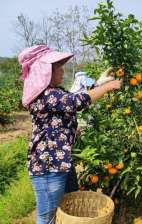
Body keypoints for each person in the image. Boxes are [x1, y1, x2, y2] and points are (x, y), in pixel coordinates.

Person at [18, 45, 122, 224]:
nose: (62, 71)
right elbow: (76, 101)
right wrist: (108, 87)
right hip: (48, 165)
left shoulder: (54, 93)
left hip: (59, 162)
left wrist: (97, 84)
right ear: (46, 72)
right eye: (58, 67)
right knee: (47, 217)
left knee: (66, 207)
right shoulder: (46, 95)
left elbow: (73, 98)